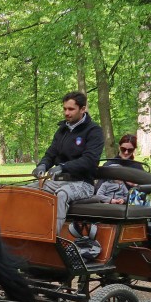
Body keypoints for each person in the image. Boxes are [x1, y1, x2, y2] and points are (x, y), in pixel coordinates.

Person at [32, 91, 104, 233]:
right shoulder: (62, 130)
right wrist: (42, 165)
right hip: (61, 179)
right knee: (26, 191)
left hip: (83, 183)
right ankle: (27, 231)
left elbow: (89, 160)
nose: (66, 112)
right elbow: (51, 153)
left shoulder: (94, 131)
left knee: (61, 194)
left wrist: (63, 167)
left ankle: (52, 237)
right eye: (65, 109)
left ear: (83, 109)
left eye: (71, 109)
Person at [88, 134, 144, 204]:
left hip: (129, 202)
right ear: (119, 147)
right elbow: (98, 188)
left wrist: (134, 185)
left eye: (130, 150)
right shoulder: (109, 164)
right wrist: (109, 200)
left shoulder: (137, 167)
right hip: (107, 202)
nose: (126, 152)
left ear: (134, 150)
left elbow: (146, 190)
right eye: (123, 149)